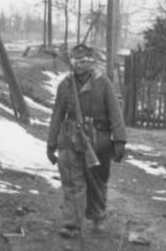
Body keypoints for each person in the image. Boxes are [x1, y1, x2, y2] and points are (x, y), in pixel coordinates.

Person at [46, 43, 127, 239]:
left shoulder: (104, 83)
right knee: (73, 183)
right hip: (71, 139)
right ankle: (72, 224)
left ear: (91, 62)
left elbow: (116, 113)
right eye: (76, 61)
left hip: (99, 140)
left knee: (97, 181)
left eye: (84, 61)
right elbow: (57, 114)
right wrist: (51, 143)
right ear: (71, 63)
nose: (80, 65)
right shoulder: (65, 86)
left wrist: (119, 140)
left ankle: (97, 216)